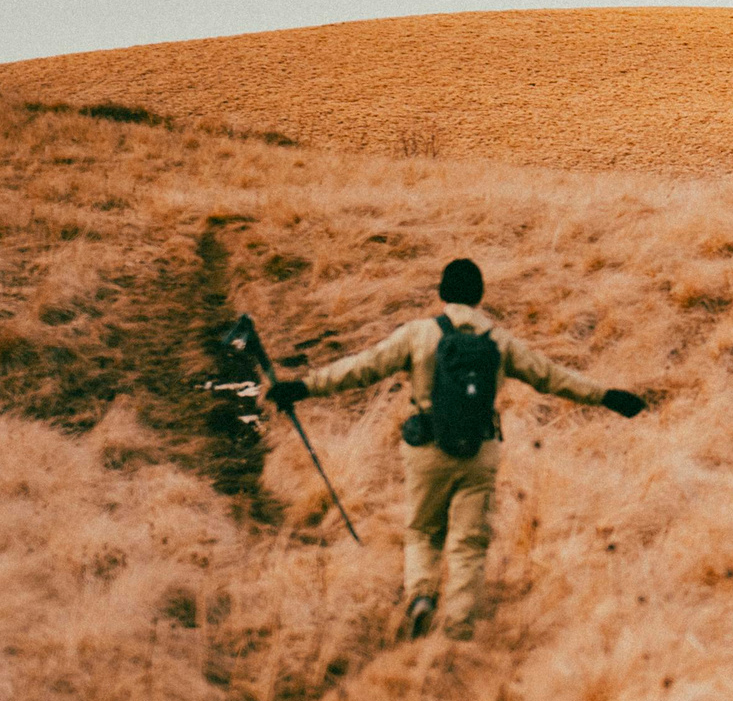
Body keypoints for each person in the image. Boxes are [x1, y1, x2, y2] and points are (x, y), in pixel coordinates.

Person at [268, 257, 646, 640]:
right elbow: (551, 377)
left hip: (427, 449)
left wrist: (303, 387)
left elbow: (362, 367)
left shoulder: (418, 334)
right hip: (479, 452)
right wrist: (607, 396)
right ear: (480, 295)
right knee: (468, 541)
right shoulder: (499, 341)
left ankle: (421, 598)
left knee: (422, 531)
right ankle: (459, 627)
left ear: (442, 293)